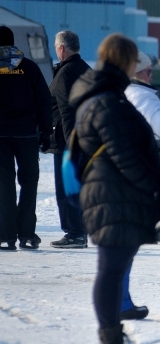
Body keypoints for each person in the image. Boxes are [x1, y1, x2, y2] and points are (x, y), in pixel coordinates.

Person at [70, 33, 160, 344]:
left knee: (112, 269)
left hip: (109, 194)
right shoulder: (108, 100)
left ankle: (111, 341)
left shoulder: (100, 94)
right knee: (111, 271)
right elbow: (125, 155)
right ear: (126, 62)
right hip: (113, 196)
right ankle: (110, 342)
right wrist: (153, 185)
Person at [117, 50, 160, 321]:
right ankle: (120, 302)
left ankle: (121, 300)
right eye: (148, 71)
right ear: (136, 72)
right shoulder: (141, 96)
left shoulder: (125, 94)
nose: (152, 75)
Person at [0, 25, 50, 251]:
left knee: (4, 184)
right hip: (27, 135)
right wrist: (46, 132)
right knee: (29, 183)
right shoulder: (28, 68)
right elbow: (44, 101)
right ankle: (27, 233)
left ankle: (6, 235)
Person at [49, 30, 91, 249]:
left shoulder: (65, 73)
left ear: (62, 48)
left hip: (68, 141)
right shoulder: (86, 70)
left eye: (56, 48)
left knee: (66, 187)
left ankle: (74, 232)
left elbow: (66, 110)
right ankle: (80, 231)